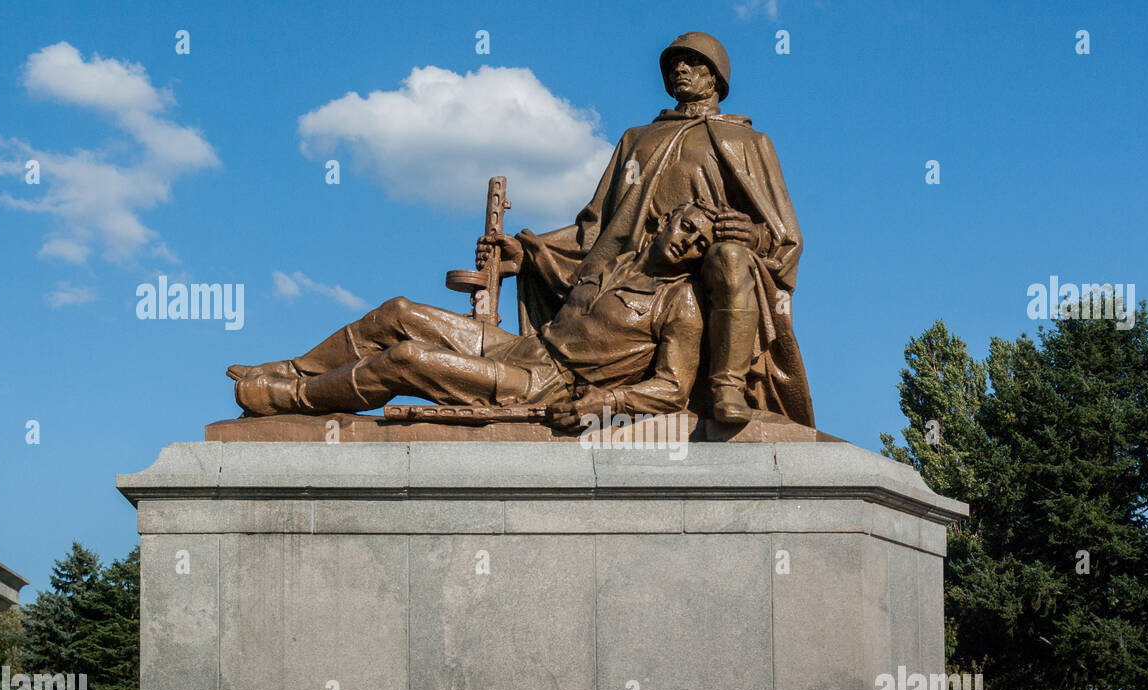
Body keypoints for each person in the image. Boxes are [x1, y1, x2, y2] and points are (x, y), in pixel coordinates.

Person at [479, 31, 813, 427]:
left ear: (715, 78)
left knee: (729, 255)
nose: (680, 70)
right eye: (673, 65)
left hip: (713, 262)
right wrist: (529, 251)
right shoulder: (637, 140)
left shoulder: (747, 141)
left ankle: (728, 386)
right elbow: (599, 227)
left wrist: (752, 234)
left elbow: (785, 236)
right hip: (639, 268)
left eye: (691, 63)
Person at [226, 201, 721, 428]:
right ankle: (292, 368)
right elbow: (553, 274)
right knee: (396, 312)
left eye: (700, 243)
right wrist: (513, 257)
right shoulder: (615, 260)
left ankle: (292, 397)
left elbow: (672, 388)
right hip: (522, 348)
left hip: (545, 382)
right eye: (687, 228)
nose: (688, 242)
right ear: (664, 220)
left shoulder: (680, 304)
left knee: (406, 358)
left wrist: (602, 404)